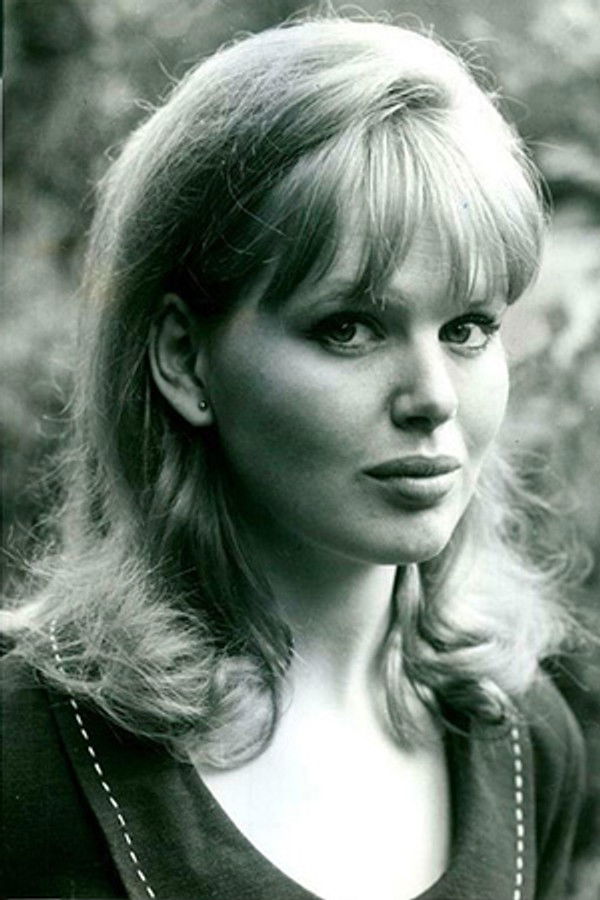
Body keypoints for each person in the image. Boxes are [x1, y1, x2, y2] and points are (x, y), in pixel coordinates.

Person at [1, 15, 585, 900]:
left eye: (467, 328)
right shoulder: (27, 758)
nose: (432, 396)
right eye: (348, 327)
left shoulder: (525, 741)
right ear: (184, 360)